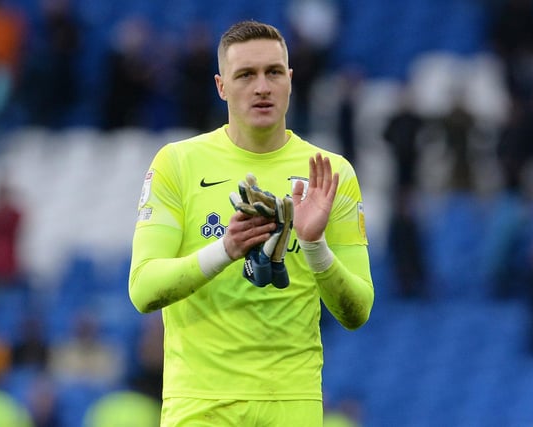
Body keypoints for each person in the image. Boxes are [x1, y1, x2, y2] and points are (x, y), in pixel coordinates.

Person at [128, 20, 374, 426]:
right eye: (246, 75)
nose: (262, 86)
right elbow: (143, 289)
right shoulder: (177, 164)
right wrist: (226, 249)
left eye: (273, 72)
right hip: (201, 403)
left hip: (291, 403)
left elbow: (357, 310)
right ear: (221, 86)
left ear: (290, 80)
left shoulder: (331, 174)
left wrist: (314, 246)